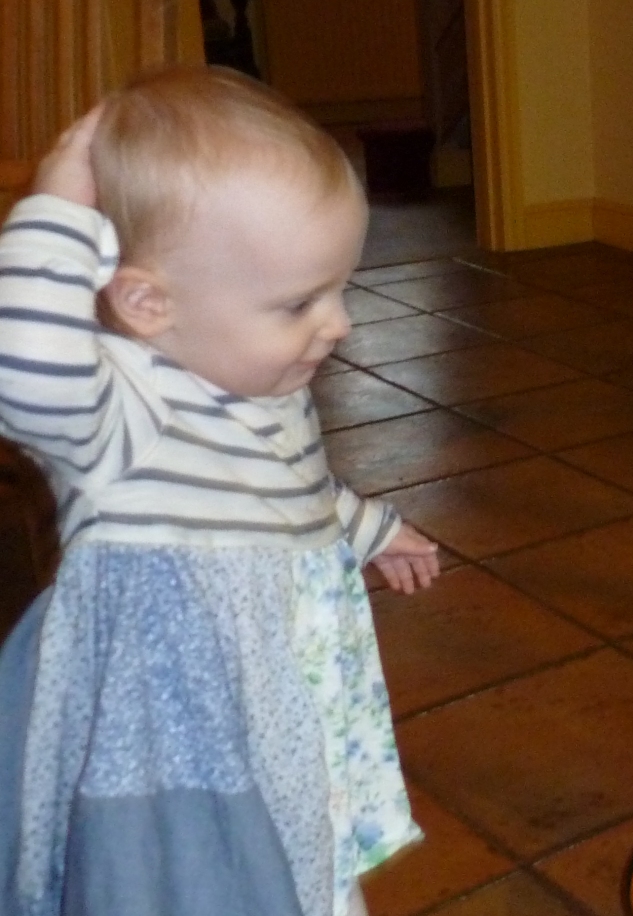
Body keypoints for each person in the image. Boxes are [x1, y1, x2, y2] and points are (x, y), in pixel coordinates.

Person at [0, 66, 439, 916]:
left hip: (276, 699)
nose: (339, 323)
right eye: (300, 303)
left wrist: (370, 529)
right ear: (148, 303)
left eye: (340, 289)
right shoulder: (121, 413)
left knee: (298, 837)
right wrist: (54, 211)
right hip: (177, 737)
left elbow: (285, 490)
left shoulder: (259, 383)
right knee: (202, 877)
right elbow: (23, 373)